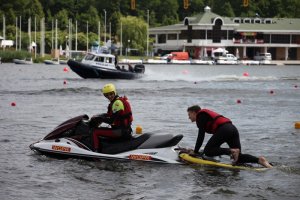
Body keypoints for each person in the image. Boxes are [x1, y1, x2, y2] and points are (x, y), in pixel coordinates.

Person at [187, 105, 273, 168]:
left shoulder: (200, 116)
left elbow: (201, 135)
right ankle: (259, 160)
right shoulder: (203, 115)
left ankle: (231, 151)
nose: (189, 117)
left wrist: (195, 151)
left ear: (194, 112)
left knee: (208, 150)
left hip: (224, 129)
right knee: (238, 158)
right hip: (232, 129)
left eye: (189, 115)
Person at [91, 83, 133, 152]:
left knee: (95, 131)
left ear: (114, 92)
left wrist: (99, 118)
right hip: (124, 130)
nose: (109, 96)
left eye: (111, 94)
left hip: (121, 131)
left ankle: (96, 151)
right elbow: (110, 115)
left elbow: (111, 121)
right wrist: (99, 115)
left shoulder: (117, 103)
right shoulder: (115, 102)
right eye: (106, 95)